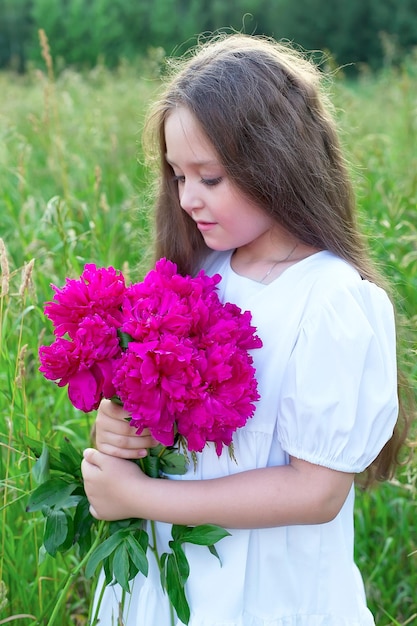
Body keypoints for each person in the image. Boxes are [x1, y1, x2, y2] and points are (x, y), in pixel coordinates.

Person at [81, 33, 410, 625]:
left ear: (278, 162)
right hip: (177, 584)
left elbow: (316, 492)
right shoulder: (202, 274)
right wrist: (124, 427)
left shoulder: (330, 299)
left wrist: (140, 498)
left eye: (210, 178)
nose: (187, 200)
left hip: (266, 596)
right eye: (178, 177)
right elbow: (173, 423)